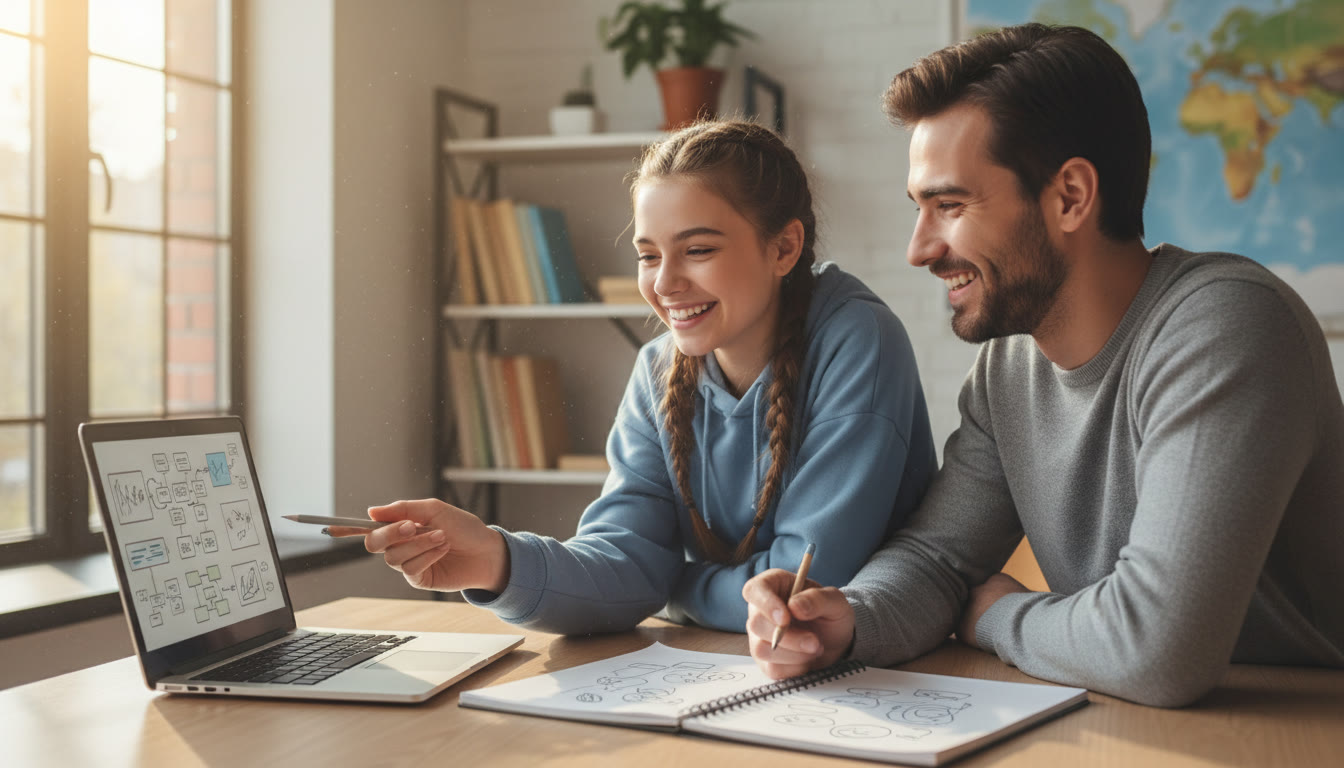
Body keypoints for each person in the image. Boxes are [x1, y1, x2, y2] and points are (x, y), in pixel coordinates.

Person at [743, 23, 1344, 707]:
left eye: (950, 206)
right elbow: (937, 560)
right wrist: (846, 619)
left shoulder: (1227, 326)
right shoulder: (1008, 369)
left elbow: (1158, 649)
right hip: (1141, 724)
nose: (919, 248)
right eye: (920, 209)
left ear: (1070, 197)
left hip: (1307, 722)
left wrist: (995, 615)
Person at [334, 120, 937, 634]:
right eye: (649, 255)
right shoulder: (658, 370)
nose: (664, 283)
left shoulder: (859, 343)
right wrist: (495, 559)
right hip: (736, 667)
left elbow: (806, 587)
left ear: (784, 249)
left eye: (697, 250)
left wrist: (670, 587)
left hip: (889, 675)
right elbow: (623, 562)